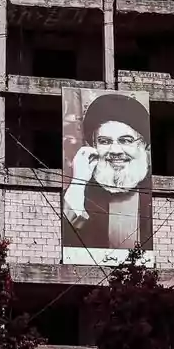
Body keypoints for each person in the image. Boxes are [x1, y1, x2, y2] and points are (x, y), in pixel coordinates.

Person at [61, 92, 153, 252]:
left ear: (144, 146)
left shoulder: (156, 195)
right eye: (105, 141)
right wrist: (78, 183)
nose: (115, 150)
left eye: (126, 140)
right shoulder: (80, 193)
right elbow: (70, 240)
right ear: (92, 147)